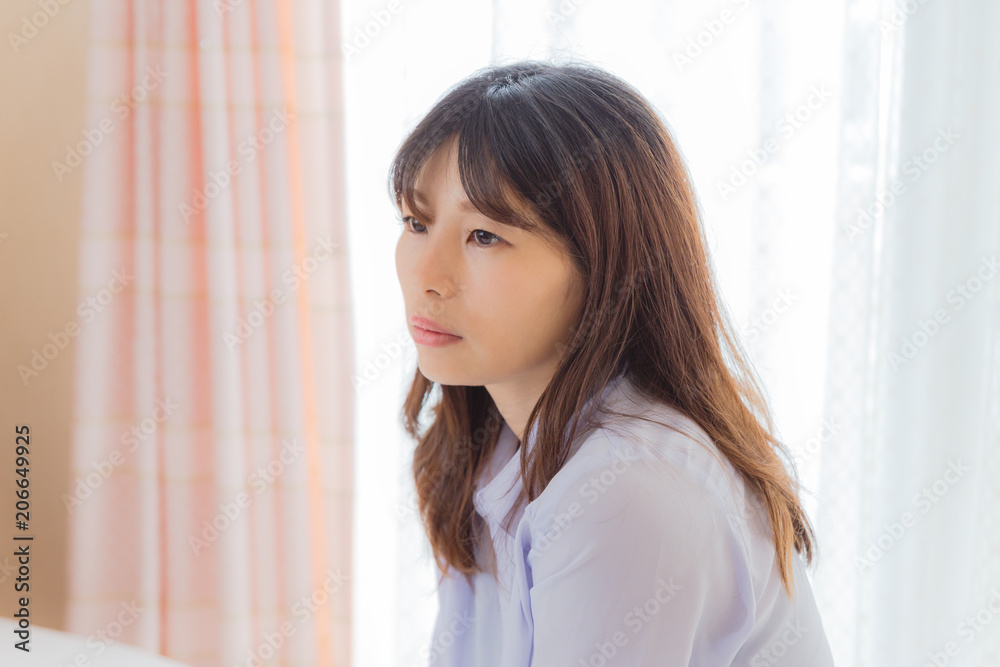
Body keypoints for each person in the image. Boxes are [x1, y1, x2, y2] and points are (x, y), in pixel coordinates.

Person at [390, 59, 835, 667]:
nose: (425, 275)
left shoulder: (624, 491)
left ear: (604, 268)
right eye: (416, 222)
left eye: (485, 236)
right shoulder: (490, 441)